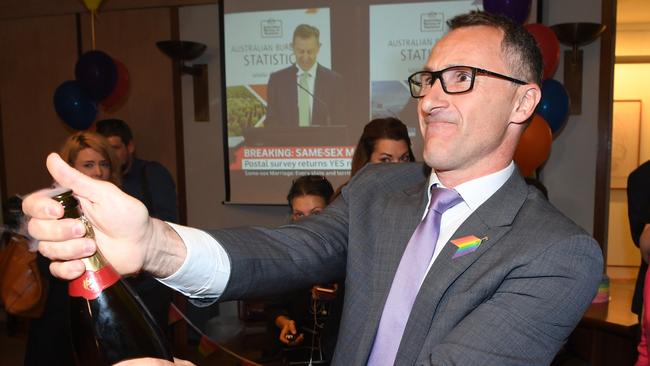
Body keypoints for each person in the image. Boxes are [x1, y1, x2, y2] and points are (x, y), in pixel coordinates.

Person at [24, 11, 603, 366]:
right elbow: (287, 250)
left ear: (524, 101)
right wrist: (154, 244)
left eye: (461, 79)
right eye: (427, 79)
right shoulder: (381, 189)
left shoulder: (554, 253)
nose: (429, 99)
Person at [25, 131, 120, 366]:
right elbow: (44, 266)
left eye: (103, 163)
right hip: (64, 313)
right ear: (70, 169)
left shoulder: (120, 204)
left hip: (108, 312)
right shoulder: (56, 207)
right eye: (88, 164)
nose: (98, 171)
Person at [95, 118, 178, 332]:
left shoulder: (151, 174)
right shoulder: (100, 181)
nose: (110, 157)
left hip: (149, 281)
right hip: (110, 284)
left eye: (115, 148)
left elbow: (170, 225)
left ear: (130, 147)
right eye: (104, 151)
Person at [264, 175, 340, 364]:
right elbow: (274, 306)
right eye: (299, 215)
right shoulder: (283, 254)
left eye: (316, 214)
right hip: (294, 355)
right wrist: (285, 322)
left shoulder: (349, 252)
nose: (307, 223)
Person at [265, 24, 345, 127]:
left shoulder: (334, 81)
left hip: (322, 142)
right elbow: (271, 120)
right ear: (292, 47)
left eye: (310, 51)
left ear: (318, 48)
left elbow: (339, 123)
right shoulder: (277, 81)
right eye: (301, 51)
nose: (305, 57)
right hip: (287, 142)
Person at [350, 117, 415, 177]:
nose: (397, 168)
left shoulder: (420, 188)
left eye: (404, 158)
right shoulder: (349, 189)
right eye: (386, 160)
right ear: (366, 160)